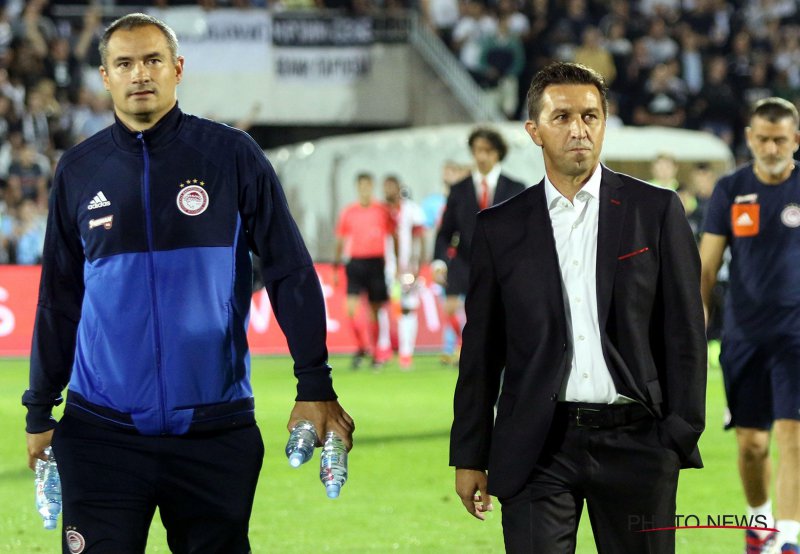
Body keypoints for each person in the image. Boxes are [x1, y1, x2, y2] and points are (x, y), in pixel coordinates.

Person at [21, 13, 354, 553]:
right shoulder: (80, 170)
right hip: (100, 429)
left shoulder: (231, 154)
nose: (140, 74)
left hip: (214, 429)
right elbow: (59, 298)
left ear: (178, 69)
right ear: (105, 78)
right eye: (124, 63)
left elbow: (288, 268)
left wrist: (314, 383)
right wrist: (40, 409)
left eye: (153, 60)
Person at [449, 62, 707, 553]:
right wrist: (469, 454)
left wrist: (678, 432)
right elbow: (481, 350)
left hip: (638, 442)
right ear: (534, 131)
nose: (579, 129)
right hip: (537, 446)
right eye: (563, 117)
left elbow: (685, 333)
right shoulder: (499, 227)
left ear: (605, 124)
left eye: (591, 116)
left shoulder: (655, 209)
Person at [699, 96, 800, 554]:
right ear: (750, 139)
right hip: (743, 335)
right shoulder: (730, 189)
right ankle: (758, 522)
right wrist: (697, 315)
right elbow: (707, 265)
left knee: (791, 435)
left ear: (795, 140)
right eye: (763, 139)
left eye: (780, 139)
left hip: (796, 335)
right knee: (753, 445)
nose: (772, 147)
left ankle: (791, 538)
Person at [434, 127, 525, 366]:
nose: (481, 156)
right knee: (454, 309)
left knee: (500, 324)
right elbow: (445, 233)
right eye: (476, 150)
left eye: (487, 150)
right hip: (465, 263)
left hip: (503, 268)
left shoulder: (516, 189)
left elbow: (525, 234)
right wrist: (439, 261)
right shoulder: (458, 190)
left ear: (498, 153)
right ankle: (466, 352)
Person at [333, 172, 396, 368]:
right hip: (355, 263)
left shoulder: (382, 210)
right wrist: (336, 266)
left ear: (372, 186)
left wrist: (397, 262)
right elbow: (341, 240)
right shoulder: (349, 212)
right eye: (362, 186)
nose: (365, 189)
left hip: (376, 263)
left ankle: (377, 353)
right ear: (358, 187)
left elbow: (393, 235)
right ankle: (361, 347)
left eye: (368, 185)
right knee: (350, 310)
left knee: (374, 311)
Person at [383, 175, 426, 370]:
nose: (388, 190)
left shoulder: (411, 210)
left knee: (407, 307)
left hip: (407, 267)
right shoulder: (381, 211)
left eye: (392, 186)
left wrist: (415, 264)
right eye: (386, 187)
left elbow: (419, 238)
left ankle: (406, 352)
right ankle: (384, 349)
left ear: (399, 187)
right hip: (386, 266)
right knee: (386, 307)